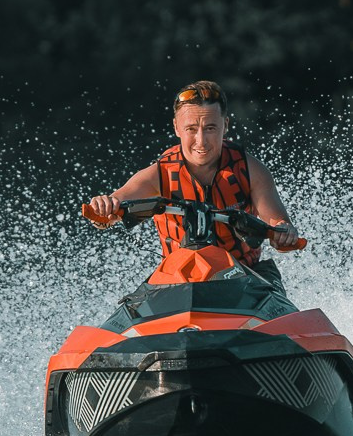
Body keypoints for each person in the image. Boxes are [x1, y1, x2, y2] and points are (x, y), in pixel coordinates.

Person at [82, 79, 307, 283]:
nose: (201, 141)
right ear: (176, 128)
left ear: (225, 126)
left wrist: (284, 233)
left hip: (246, 276)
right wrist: (103, 208)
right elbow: (109, 211)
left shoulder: (252, 171)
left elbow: (278, 224)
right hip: (178, 280)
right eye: (191, 129)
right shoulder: (157, 175)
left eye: (210, 128)